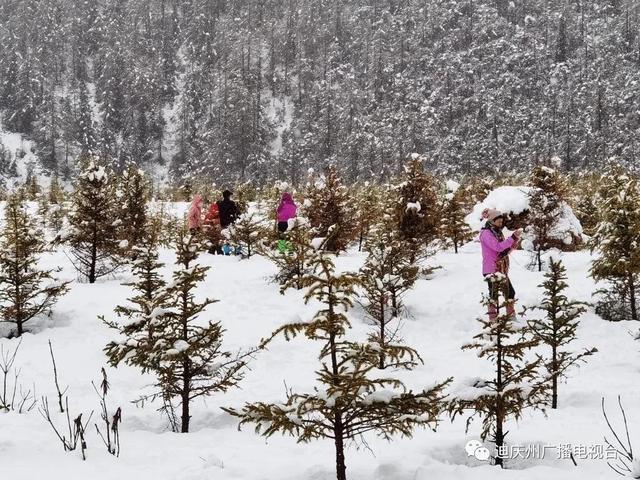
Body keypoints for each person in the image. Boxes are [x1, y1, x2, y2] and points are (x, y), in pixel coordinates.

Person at [480, 208, 522, 318]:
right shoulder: (486, 233)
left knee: (509, 293)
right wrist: (512, 238)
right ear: (492, 221)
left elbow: (502, 251)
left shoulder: (497, 232)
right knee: (493, 296)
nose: (500, 223)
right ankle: (493, 320)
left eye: (501, 221)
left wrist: (513, 244)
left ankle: (511, 317)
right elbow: (498, 247)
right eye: (498, 221)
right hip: (491, 269)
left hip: (501, 268)